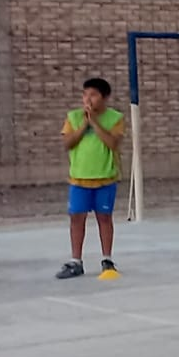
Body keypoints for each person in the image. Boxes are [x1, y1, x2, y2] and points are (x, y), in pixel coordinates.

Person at [58, 77, 124, 279]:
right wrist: (84, 124)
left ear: (105, 97)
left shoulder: (115, 118)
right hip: (79, 179)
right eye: (85, 94)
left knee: (104, 218)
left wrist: (94, 122)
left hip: (105, 178)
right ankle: (76, 261)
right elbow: (67, 143)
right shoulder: (73, 117)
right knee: (77, 219)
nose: (88, 99)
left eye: (93, 95)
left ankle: (107, 259)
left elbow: (113, 143)